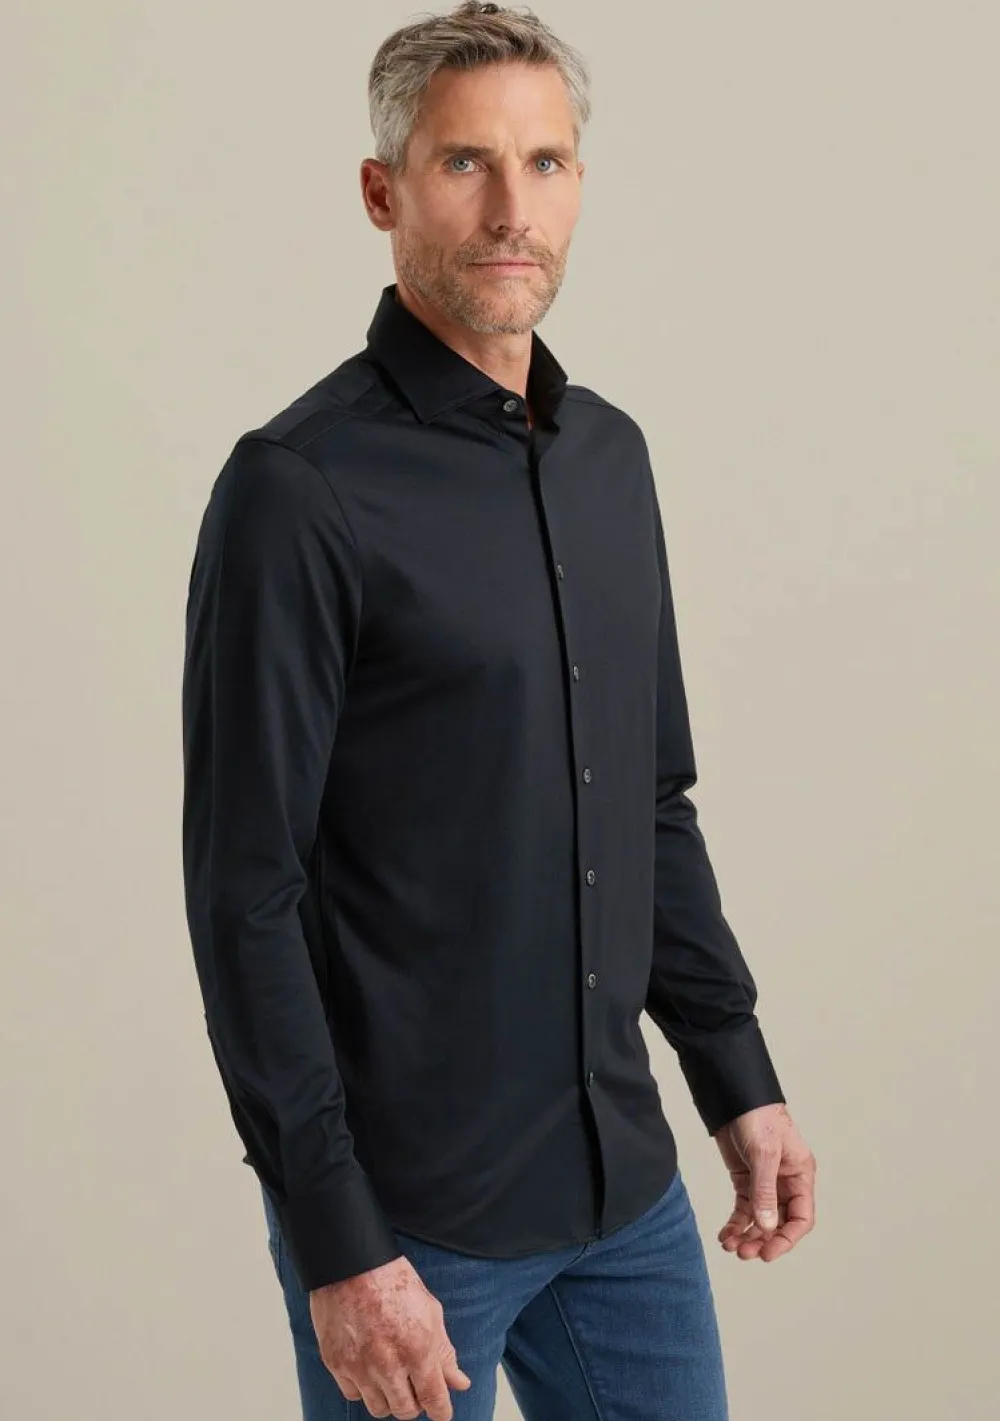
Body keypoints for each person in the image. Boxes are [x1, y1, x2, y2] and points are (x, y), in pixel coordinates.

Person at [181, 3, 817, 1418]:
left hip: (622, 1191)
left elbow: (650, 802)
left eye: (546, 162)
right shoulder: (298, 490)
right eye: (465, 162)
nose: (511, 209)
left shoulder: (611, 460)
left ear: (580, 184)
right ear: (383, 192)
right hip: (413, 1223)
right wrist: (339, 1243)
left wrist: (737, 1076)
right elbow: (246, 894)